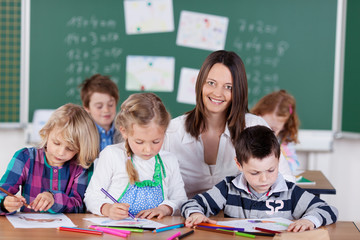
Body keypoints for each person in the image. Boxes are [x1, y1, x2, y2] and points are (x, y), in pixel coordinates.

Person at [162, 50, 294, 198]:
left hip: (239, 218)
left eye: (228, 87)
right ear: (200, 83)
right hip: (186, 218)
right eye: (211, 83)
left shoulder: (254, 126)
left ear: (238, 91)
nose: (218, 93)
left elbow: (286, 183)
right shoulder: (172, 131)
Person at [181, 125, 338, 232]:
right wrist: (195, 214)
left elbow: (328, 210)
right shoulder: (228, 188)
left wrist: (310, 221)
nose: (264, 179)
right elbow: (192, 204)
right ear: (239, 164)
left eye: (271, 170)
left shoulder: (289, 192)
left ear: (278, 160)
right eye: (255, 173)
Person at [84, 93, 187, 220]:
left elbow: (181, 199)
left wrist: (164, 209)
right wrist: (108, 209)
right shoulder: (111, 155)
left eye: (156, 141)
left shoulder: (169, 160)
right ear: (124, 132)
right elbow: (91, 196)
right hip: (117, 230)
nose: (148, 149)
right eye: (139, 142)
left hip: (156, 231)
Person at [0, 103, 99, 215]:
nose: (61, 152)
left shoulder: (80, 166)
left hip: (66, 231)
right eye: (56, 143)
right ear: (47, 133)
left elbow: (79, 207)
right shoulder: (25, 157)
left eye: (70, 149)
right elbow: (2, 191)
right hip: (29, 230)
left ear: (81, 149)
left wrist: (54, 198)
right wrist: (4, 203)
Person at [251, 90, 300, 173]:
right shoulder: (247, 134)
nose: (266, 131)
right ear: (257, 115)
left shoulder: (283, 141)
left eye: (273, 129)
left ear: (284, 126)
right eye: (263, 124)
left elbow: (294, 163)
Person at [79, 74, 121, 152]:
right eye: (99, 106)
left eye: (110, 105)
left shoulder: (125, 132)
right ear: (87, 107)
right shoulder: (81, 133)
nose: (106, 110)